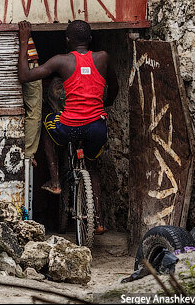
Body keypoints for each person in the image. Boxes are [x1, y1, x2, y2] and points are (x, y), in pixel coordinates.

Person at [17, 19, 118, 233]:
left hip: (69, 126)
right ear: (90, 39)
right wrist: (104, 104)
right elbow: (114, 88)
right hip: (96, 128)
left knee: (46, 125)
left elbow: (25, 76)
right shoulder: (103, 58)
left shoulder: (60, 61)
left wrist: (24, 41)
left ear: (67, 40)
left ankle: (55, 181)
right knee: (93, 166)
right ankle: (98, 221)